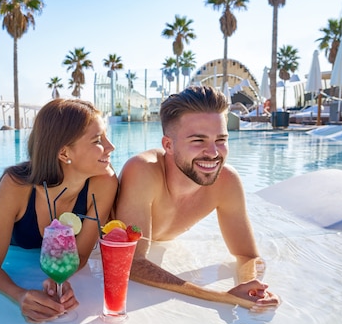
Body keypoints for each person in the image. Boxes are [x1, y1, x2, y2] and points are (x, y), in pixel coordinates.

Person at [115, 85, 280, 311]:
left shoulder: (226, 181)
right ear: (168, 145)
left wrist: (250, 286)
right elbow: (132, 262)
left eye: (221, 140)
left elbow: (246, 254)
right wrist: (220, 297)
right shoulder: (143, 171)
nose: (213, 153)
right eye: (198, 141)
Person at [0, 98, 118, 323]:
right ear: (64, 153)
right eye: (98, 140)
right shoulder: (16, 186)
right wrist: (20, 295)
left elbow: (79, 255)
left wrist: (58, 279)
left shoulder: (105, 182)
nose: (111, 147)